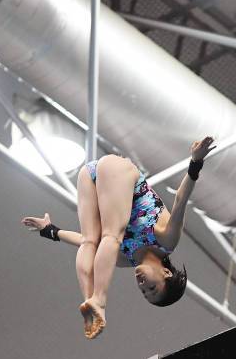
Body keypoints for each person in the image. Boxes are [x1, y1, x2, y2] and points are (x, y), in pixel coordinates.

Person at [22, 137, 215, 339]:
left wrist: (50, 231)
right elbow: (180, 200)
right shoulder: (167, 241)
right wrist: (196, 162)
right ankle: (99, 300)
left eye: (143, 292)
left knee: (90, 241)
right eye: (151, 288)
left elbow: (83, 240)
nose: (142, 286)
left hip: (89, 175)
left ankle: (90, 302)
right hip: (118, 170)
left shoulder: (125, 259)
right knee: (111, 236)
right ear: (166, 272)